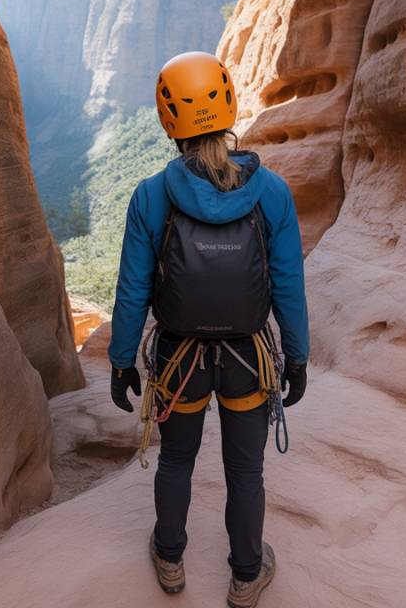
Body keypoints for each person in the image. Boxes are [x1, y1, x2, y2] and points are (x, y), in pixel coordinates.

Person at [108, 51, 309, 608]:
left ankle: (170, 559)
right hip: (248, 357)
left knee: (176, 460)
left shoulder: (151, 196)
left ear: (168, 119)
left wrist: (122, 361)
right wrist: (297, 356)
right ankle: (246, 575)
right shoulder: (271, 192)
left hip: (180, 359)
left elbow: (133, 289)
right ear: (228, 108)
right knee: (245, 470)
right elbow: (288, 284)